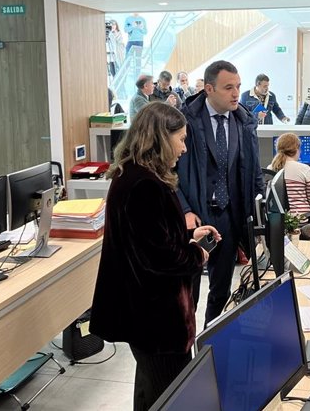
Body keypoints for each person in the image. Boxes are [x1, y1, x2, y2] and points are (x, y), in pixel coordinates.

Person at [90, 103, 221, 411]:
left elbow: (152, 241)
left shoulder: (136, 176)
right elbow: (160, 258)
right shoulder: (144, 185)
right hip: (157, 320)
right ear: (161, 138)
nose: (185, 148)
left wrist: (188, 238)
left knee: (151, 392)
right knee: (172, 397)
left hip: (146, 316)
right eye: (181, 139)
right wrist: (196, 253)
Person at [176, 60, 264, 325]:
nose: (236, 93)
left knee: (221, 291)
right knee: (186, 293)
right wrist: (185, 210)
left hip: (228, 216)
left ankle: (209, 343)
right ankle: (185, 343)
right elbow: (168, 173)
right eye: (228, 88)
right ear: (209, 89)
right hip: (196, 218)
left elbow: (254, 173)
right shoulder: (184, 121)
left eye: (238, 86)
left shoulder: (243, 122)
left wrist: (259, 217)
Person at [269, 133, 310, 215]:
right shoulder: (304, 169)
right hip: (300, 220)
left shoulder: (270, 168)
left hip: (276, 222)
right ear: (297, 150)